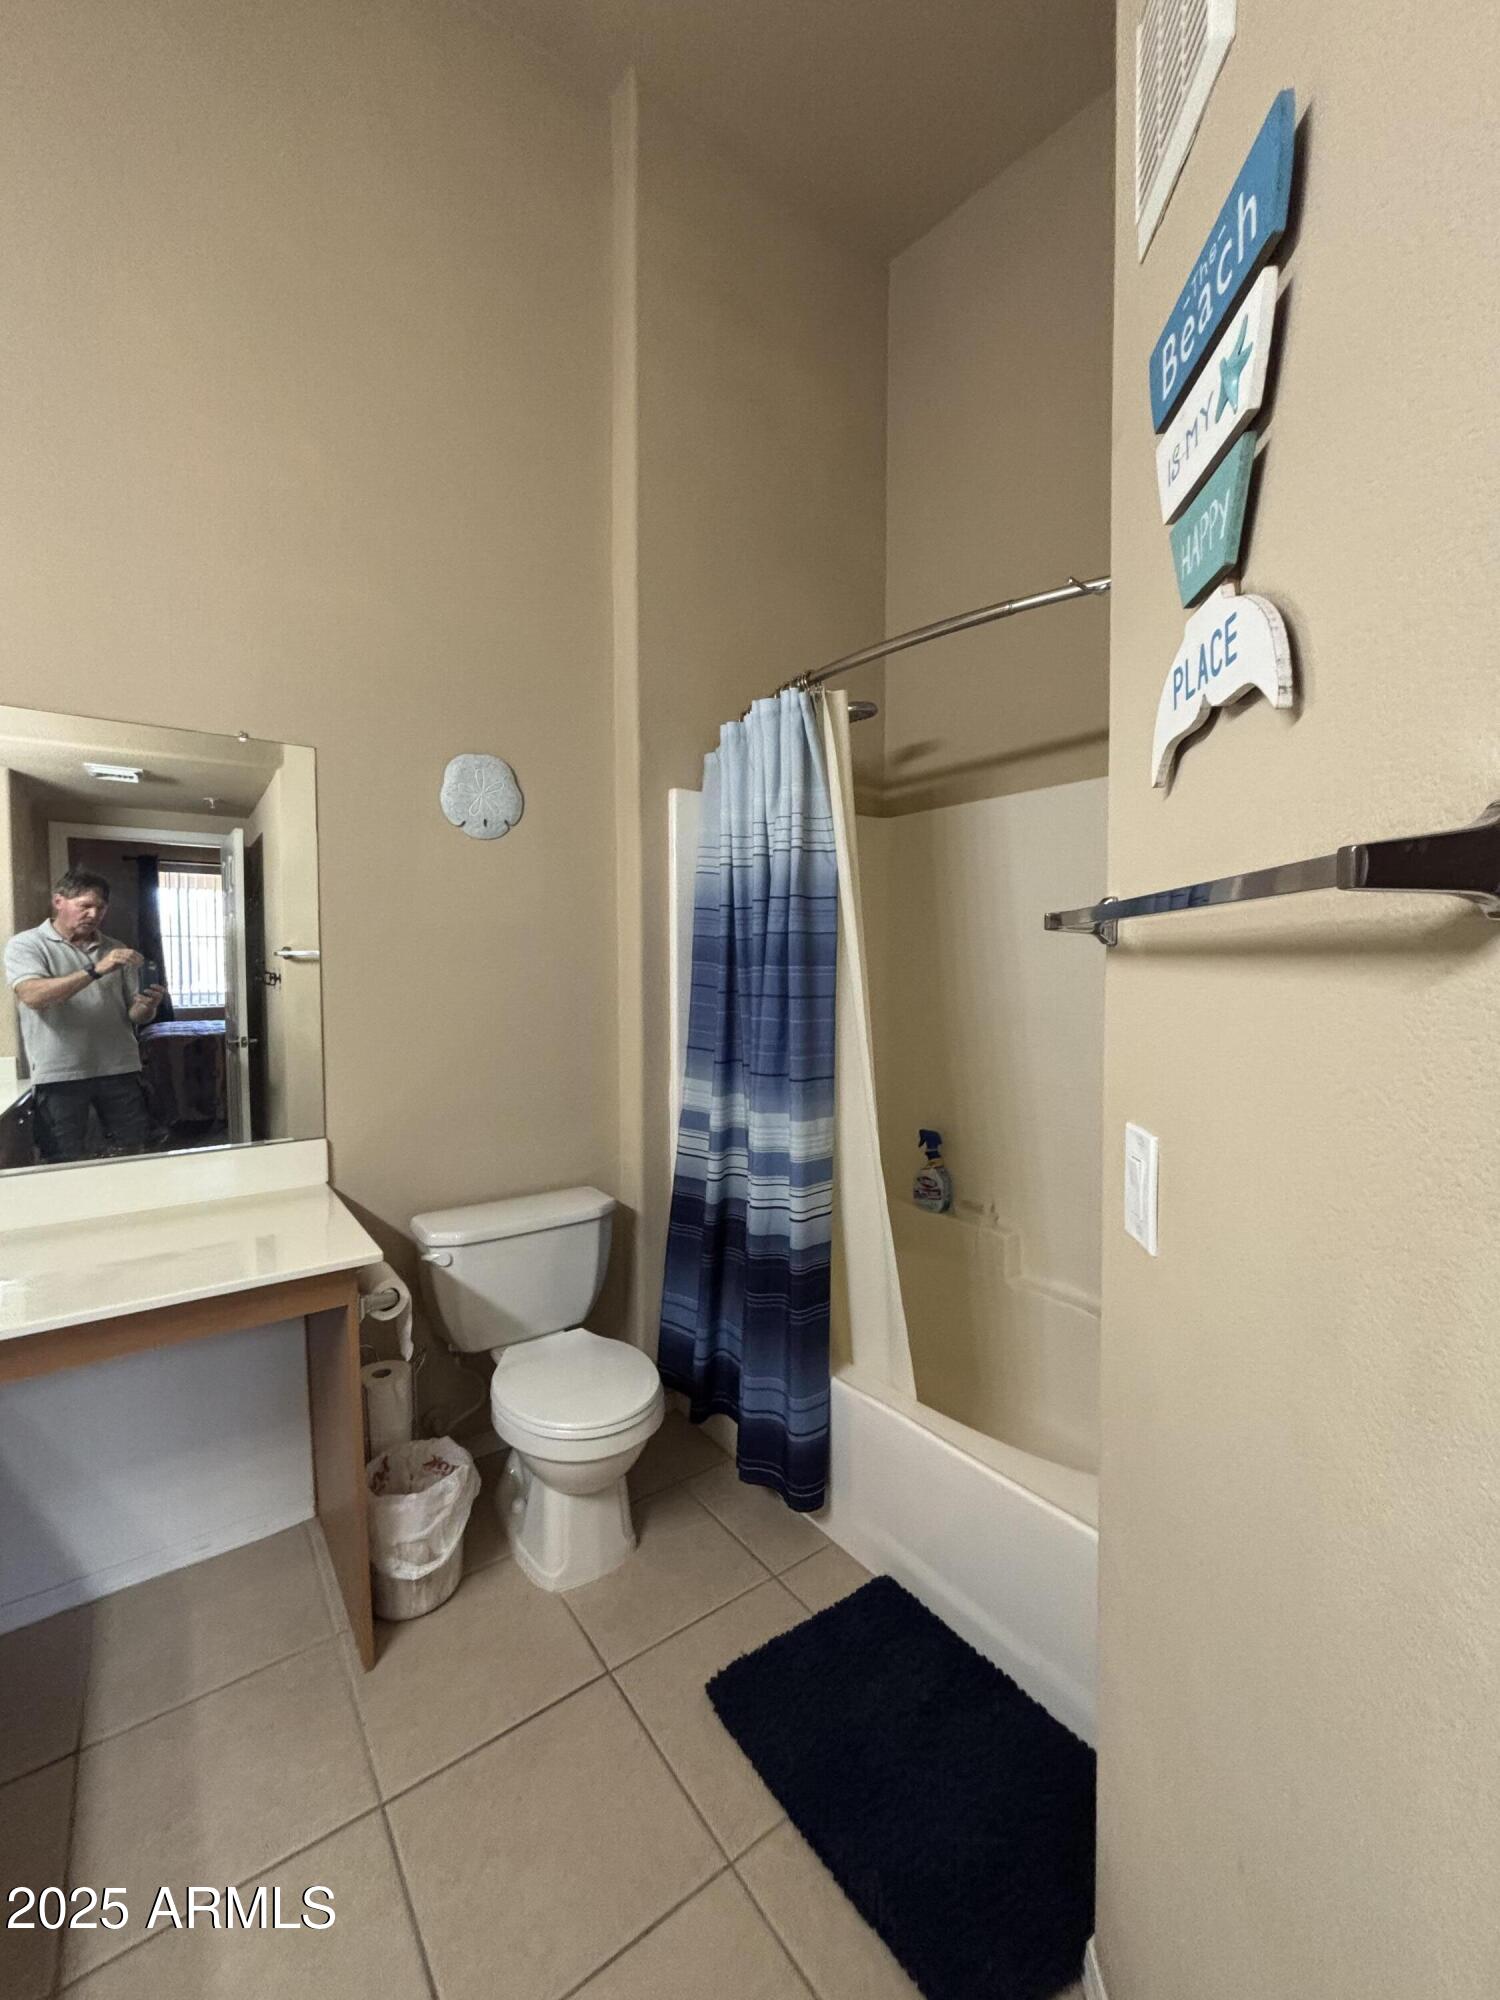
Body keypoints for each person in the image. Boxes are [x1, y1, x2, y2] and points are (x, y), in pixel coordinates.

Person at [4, 867, 168, 1163]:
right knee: (64, 1161)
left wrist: (149, 1005)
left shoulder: (116, 948)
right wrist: (96, 969)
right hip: (60, 1073)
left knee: (135, 1155)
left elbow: (135, 1015)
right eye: (85, 906)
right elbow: (33, 996)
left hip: (120, 1069)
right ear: (58, 901)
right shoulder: (26, 944)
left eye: (101, 907)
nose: (93, 914)